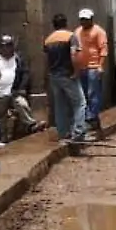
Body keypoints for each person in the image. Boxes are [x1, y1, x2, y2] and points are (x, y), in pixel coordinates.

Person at [44, 14, 87, 144]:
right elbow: (74, 55)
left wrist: (48, 75)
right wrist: (76, 71)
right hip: (67, 74)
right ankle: (78, 132)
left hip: (54, 76)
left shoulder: (48, 40)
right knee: (80, 103)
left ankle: (63, 133)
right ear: (65, 23)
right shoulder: (70, 36)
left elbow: (46, 61)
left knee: (60, 104)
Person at [0, 35, 37, 139]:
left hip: (14, 91)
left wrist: (22, 87)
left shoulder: (18, 59)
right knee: (0, 116)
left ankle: (32, 125)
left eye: (8, 46)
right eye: (3, 46)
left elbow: (25, 73)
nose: (6, 48)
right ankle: (3, 137)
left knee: (21, 104)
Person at [75, 9, 108, 136]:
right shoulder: (77, 32)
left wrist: (100, 65)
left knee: (93, 93)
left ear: (92, 19)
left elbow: (103, 49)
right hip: (81, 67)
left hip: (94, 67)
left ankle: (90, 117)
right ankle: (92, 120)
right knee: (84, 95)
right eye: (82, 19)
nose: (84, 22)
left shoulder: (98, 31)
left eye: (86, 19)